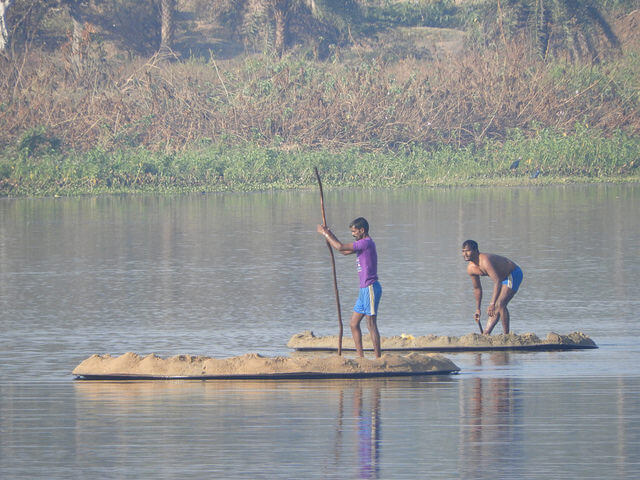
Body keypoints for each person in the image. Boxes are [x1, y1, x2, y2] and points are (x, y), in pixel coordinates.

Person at [317, 217, 382, 357]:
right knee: (353, 324)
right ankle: (360, 357)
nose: (353, 234)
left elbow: (340, 247)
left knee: (371, 323)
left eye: (354, 231)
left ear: (362, 230)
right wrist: (329, 234)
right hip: (363, 290)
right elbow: (343, 251)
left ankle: (378, 359)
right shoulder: (361, 244)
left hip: (371, 287)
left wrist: (325, 233)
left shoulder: (366, 243)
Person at [461, 240, 523, 335]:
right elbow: (477, 289)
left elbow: (497, 281)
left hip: (513, 273)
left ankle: (506, 335)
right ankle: (486, 334)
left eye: (468, 251)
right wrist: (478, 309)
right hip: (502, 278)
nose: (465, 254)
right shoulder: (471, 269)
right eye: (463, 251)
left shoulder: (485, 261)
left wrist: (492, 303)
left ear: (476, 250)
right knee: (495, 306)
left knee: (500, 304)